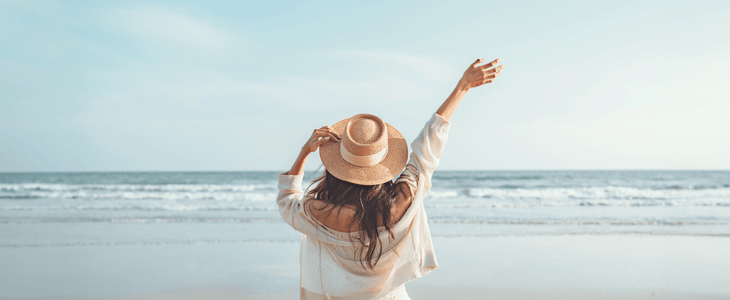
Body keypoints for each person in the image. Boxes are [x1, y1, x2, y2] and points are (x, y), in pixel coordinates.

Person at [277, 58, 504, 299]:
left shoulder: (317, 212)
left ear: (336, 169)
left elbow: (286, 199)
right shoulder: (400, 204)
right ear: (383, 165)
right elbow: (427, 148)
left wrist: (304, 151)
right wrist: (462, 87)